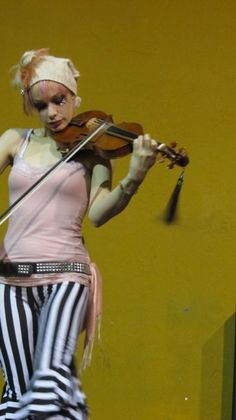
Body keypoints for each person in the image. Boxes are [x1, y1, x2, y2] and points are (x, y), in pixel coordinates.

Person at [0, 48, 158, 419]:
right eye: (41, 105)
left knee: (47, 386)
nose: (52, 113)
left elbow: (100, 214)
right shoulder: (14, 141)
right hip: (9, 280)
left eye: (59, 101)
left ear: (75, 99)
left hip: (67, 275)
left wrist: (135, 176)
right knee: (19, 393)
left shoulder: (93, 154)